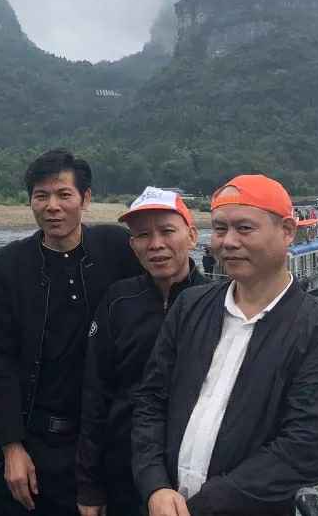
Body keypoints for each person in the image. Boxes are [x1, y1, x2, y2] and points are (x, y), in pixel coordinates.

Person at [132, 174, 318, 516]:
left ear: (287, 231)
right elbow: (151, 400)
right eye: (220, 229)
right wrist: (155, 485)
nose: (228, 242)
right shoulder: (190, 307)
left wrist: (204, 505)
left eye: (244, 228)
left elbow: (305, 449)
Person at [0, 149, 142, 515]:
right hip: (34, 439)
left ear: (85, 198)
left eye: (63, 194)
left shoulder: (117, 249)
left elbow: (164, 282)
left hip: (103, 441)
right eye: (41, 196)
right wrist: (11, 446)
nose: (52, 206)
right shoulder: (9, 264)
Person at [76, 187, 209, 516]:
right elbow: (95, 394)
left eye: (167, 231)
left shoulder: (216, 302)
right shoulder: (118, 301)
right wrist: (89, 485)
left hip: (197, 473)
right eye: (143, 235)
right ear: (132, 245)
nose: (156, 244)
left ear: (192, 236)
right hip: (123, 468)